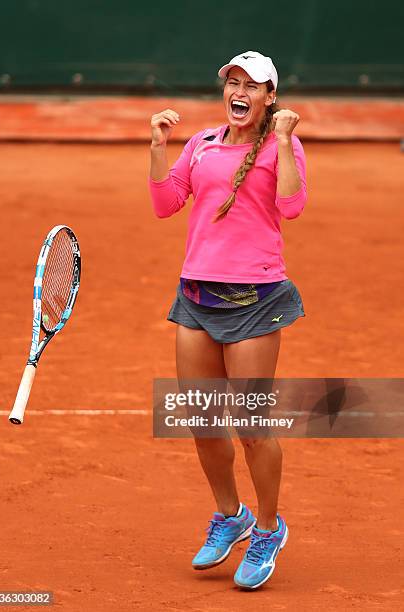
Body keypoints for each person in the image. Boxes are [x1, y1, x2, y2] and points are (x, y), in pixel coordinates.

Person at [149, 51, 307, 590]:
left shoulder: (282, 145)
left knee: (252, 428)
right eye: (232, 83)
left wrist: (284, 142)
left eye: (252, 86)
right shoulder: (202, 144)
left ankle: (267, 527)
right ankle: (230, 515)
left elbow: (292, 206)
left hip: (256, 298)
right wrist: (158, 148)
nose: (239, 92)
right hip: (196, 294)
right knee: (203, 420)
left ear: (269, 98)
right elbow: (166, 203)